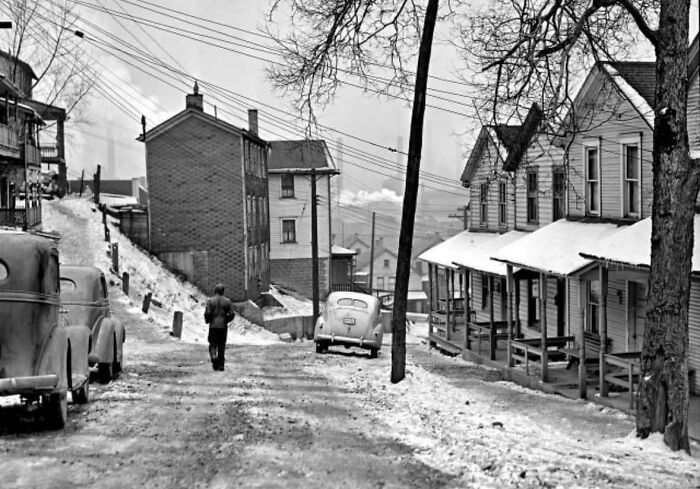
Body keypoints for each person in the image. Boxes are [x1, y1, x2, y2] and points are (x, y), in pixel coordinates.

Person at [204, 284, 235, 371]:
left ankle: (214, 356)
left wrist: (208, 320)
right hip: (223, 326)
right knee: (221, 345)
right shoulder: (227, 301)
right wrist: (226, 320)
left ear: (215, 291)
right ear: (223, 291)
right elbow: (232, 314)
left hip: (213, 326)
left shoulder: (210, 301)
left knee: (212, 343)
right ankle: (221, 365)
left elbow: (207, 313)